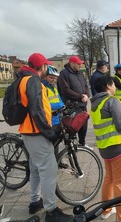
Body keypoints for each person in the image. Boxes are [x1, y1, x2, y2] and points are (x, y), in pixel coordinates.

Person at [18, 53, 73, 222]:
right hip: (37, 133)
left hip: (28, 131)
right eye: (45, 67)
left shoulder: (24, 79)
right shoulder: (34, 82)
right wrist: (50, 133)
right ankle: (51, 211)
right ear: (41, 67)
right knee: (49, 171)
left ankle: (34, 202)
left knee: (35, 168)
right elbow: (37, 112)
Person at [90, 75, 121, 222]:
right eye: (113, 84)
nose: (114, 86)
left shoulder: (95, 104)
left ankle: (106, 210)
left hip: (105, 148)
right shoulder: (112, 101)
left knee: (109, 180)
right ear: (107, 85)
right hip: (119, 147)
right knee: (120, 183)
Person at [57, 55, 91, 147]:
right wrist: (80, 96)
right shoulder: (64, 74)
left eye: (80, 64)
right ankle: (70, 146)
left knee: (83, 125)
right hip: (71, 105)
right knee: (71, 127)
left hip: (82, 104)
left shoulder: (80, 73)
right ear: (72, 63)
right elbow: (65, 90)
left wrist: (87, 95)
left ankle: (82, 143)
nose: (80, 66)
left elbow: (85, 86)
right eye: (78, 64)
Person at [42, 66, 67, 168]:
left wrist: (64, 106)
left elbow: (60, 100)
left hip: (57, 119)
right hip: (49, 119)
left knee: (56, 142)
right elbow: (45, 104)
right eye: (51, 77)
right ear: (46, 77)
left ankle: (57, 161)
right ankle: (51, 163)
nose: (53, 80)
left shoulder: (54, 88)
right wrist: (60, 106)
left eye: (55, 78)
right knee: (50, 144)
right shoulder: (44, 88)